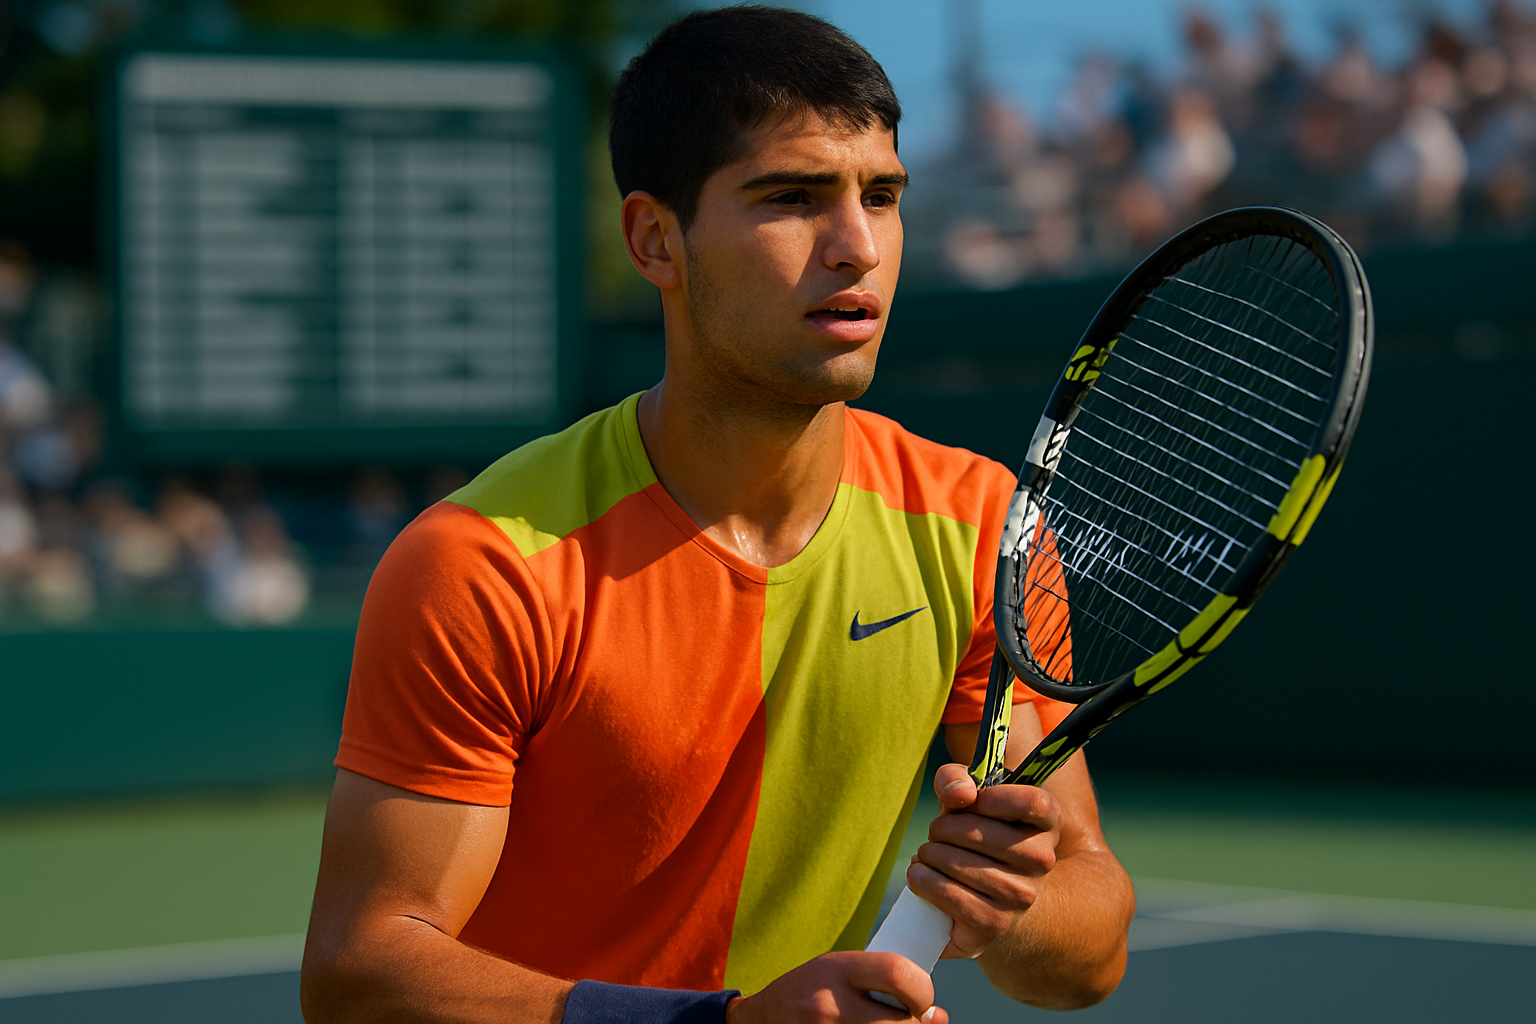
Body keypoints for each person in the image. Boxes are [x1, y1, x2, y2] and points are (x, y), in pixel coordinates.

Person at [300, 8, 1135, 1024]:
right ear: (656, 239)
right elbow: (359, 971)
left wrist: (1009, 899)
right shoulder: (482, 566)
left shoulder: (978, 526)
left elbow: (1086, 952)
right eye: (791, 198)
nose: (857, 247)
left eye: (882, 196)